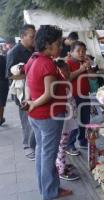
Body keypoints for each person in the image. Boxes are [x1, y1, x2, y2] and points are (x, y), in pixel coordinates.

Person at [24, 25, 72, 199]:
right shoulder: (47, 64)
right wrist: (33, 103)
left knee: (41, 153)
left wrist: (28, 101)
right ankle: (49, 193)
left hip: (37, 117)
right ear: (47, 44)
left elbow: (28, 83)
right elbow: (49, 93)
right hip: (48, 116)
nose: (60, 47)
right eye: (58, 44)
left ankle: (48, 188)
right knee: (48, 156)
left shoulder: (33, 58)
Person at [6, 24, 36, 160]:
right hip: (22, 92)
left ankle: (34, 144)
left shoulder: (34, 49)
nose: (34, 38)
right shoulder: (14, 52)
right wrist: (29, 75)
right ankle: (27, 147)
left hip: (34, 89)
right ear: (23, 36)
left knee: (34, 119)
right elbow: (9, 75)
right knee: (26, 120)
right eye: (31, 36)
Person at [65, 41, 91, 156]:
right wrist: (81, 69)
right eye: (78, 51)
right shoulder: (68, 63)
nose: (81, 53)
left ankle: (83, 140)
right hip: (73, 97)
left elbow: (92, 76)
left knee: (85, 120)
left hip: (85, 95)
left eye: (83, 51)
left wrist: (88, 67)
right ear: (71, 52)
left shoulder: (84, 62)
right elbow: (68, 77)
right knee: (74, 122)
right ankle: (70, 145)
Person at [0, 55, 8, 125]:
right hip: (3, 82)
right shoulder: (3, 58)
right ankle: (0, 118)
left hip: (3, 81)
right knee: (1, 102)